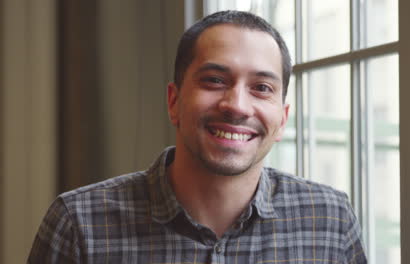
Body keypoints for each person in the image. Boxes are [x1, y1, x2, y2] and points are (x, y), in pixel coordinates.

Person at [28, 10, 367, 263]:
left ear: (282, 119)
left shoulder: (330, 219)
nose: (236, 105)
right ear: (174, 101)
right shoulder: (78, 223)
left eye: (262, 88)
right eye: (215, 80)